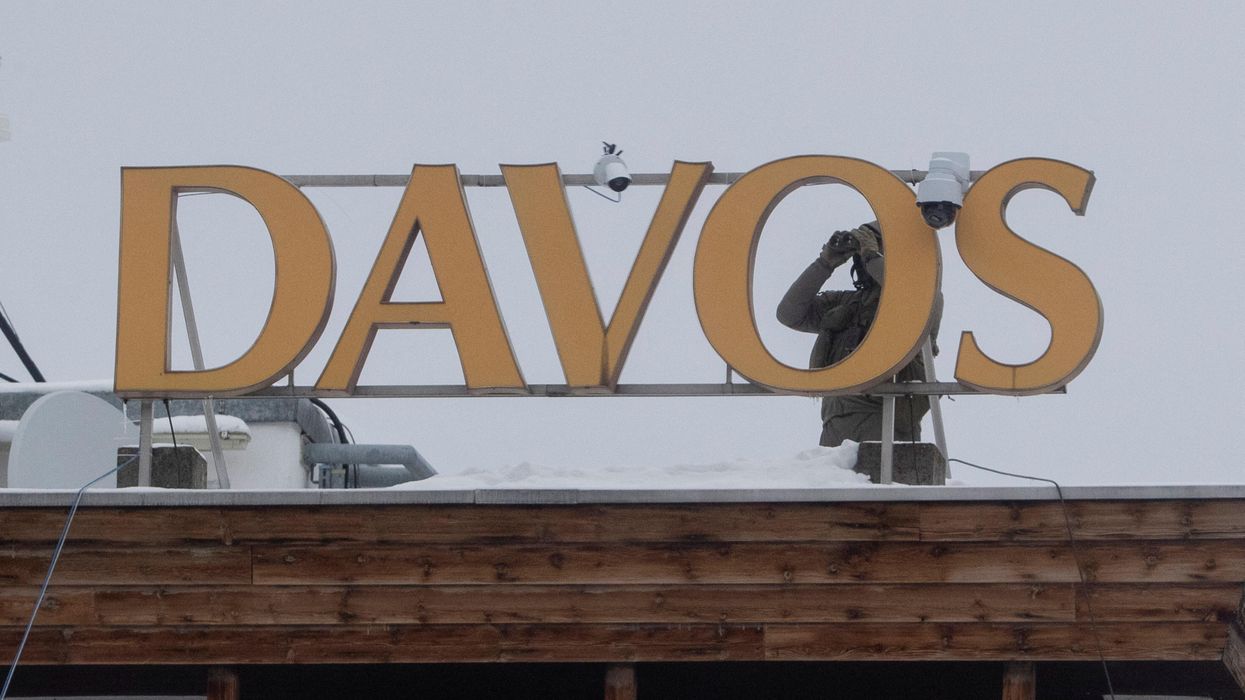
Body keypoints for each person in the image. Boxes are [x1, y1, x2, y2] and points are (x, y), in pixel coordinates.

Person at [776, 221, 942, 447]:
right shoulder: (847, 303)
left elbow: (904, 294)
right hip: (836, 421)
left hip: (887, 419)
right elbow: (789, 313)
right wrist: (825, 263)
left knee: (883, 477)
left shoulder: (924, 295)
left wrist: (871, 255)